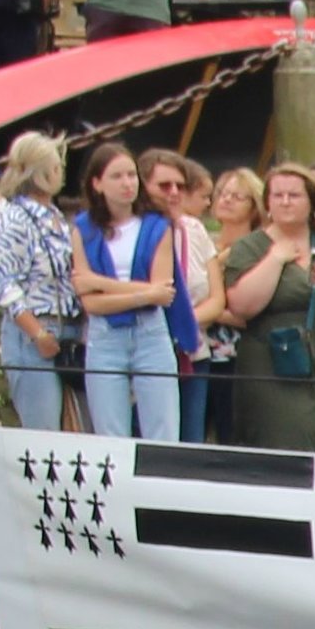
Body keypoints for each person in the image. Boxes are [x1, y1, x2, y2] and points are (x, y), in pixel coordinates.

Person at [214, 163, 315, 457]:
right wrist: (275, 260)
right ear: (267, 203)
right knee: (288, 443)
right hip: (278, 365)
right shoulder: (250, 248)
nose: (285, 202)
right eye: (278, 196)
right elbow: (242, 305)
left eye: (294, 195)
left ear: (312, 201)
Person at [69, 138, 195, 444]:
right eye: (117, 176)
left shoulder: (157, 225)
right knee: (110, 434)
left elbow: (162, 291)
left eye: (131, 175)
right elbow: (93, 305)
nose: (127, 183)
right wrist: (143, 294)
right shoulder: (83, 228)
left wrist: (99, 283)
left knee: (162, 431)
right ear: (97, 184)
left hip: (150, 332)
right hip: (105, 336)